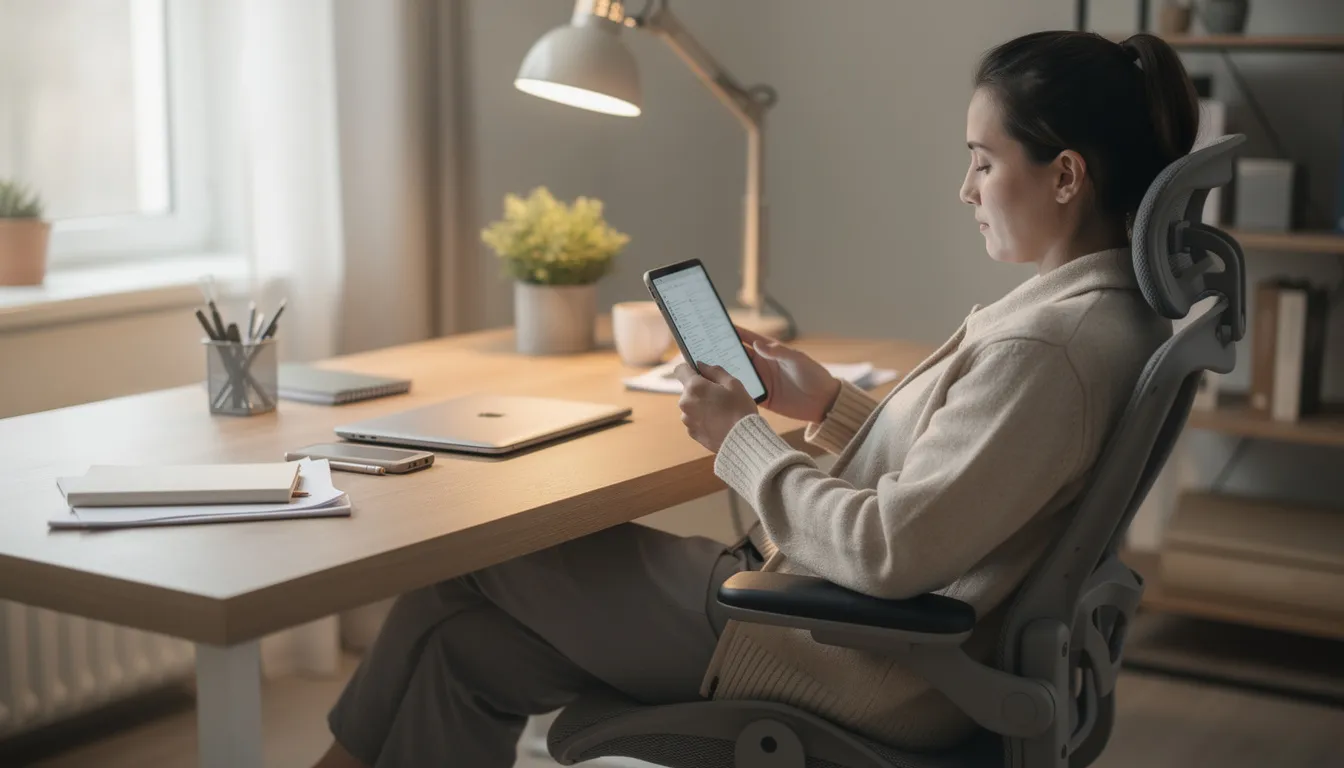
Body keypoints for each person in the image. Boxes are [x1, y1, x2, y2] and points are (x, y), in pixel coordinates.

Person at [313, 29, 1198, 767]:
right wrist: (832, 410)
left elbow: (892, 550)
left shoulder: (1047, 345)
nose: (964, 189)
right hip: (865, 634)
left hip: (837, 648)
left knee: (477, 545)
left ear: (1068, 176)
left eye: (982, 161)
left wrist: (740, 439)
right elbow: (975, 486)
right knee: (461, 643)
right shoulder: (1100, 315)